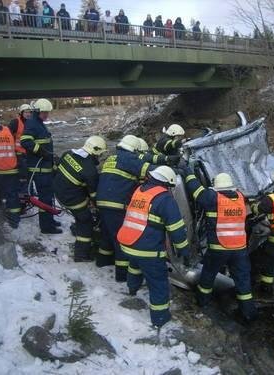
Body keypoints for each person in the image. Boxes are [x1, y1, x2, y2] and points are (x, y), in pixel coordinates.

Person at [180, 167, 257, 321]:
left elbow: (196, 191)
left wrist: (187, 172)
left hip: (218, 249)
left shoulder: (213, 198)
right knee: (243, 281)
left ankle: (202, 303)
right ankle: (248, 313)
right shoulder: (240, 197)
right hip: (239, 249)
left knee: (208, 277)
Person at [117, 166, 189, 328]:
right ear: (166, 184)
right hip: (147, 250)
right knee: (158, 283)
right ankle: (160, 317)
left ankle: (132, 289)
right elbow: (176, 229)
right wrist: (184, 250)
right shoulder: (165, 199)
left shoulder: (140, 190)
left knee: (134, 266)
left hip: (128, 243)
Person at [95, 135, 155, 282]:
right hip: (116, 205)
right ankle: (122, 275)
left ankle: (103, 261)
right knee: (121, 238)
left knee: (107, 234)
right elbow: (149, 171)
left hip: (102, 202)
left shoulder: (112, 158)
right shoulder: (129, 160)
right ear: (135, 150)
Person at [54, 136, 107, 262]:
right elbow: (94, 195)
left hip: (58, 191)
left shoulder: (68, 154)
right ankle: (81, 255)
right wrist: (100, 209)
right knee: (85, 221)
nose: (99, 158)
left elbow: (56, 170)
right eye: (99, 155)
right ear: (95, 152)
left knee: (81, 216)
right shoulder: (90, 170)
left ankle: (77, 227)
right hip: (72, 199)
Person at [20, 98, 61, 234]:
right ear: (37, 112)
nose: (46, 115)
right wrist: (42, 152)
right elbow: (25, 142)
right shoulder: (32, 123)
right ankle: (46, 227)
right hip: (39, 169)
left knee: (48, 196)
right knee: (45, 198)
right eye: (44, 113)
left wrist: (51, 158)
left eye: (47, 113)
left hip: (45, 167)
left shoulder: (39, 123)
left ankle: (49, 220)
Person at [8, 104, 31, 192]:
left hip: (30, 153)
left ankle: (30, 192)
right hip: (19, 154)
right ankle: (23, 193)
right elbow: (8, 136)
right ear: (21, 113)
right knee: (23, 176)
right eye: (26, 112)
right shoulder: (15, 122)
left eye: (29, 112)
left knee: (29, 175)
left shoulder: (32, 122)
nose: (28, 114)